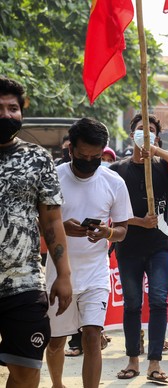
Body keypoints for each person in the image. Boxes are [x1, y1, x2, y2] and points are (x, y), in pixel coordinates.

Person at [44, 118, 132, 388]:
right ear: (70, 149)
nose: (89, 161)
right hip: (60, 273)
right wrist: (62, 229)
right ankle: (58, 384)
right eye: (83, 155)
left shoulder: (113, 182)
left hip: (96, 272)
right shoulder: (54, 177)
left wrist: (106, 233)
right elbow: (40, 223)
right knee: (57, 340)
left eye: (96, 156)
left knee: (92, 336)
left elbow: (122, 229)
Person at [0, 76, 72, 388]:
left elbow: (52, 221)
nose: (6, 114)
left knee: (27, 373)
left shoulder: (38, 158)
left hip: (25, 283)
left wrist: (64, 275)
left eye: (12, 108)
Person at [110, 113, 168, 383]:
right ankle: (133, 359)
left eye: (152, 130)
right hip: (128, 246)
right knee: (132, 304)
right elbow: (108, 211)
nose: (146, 133)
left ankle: (154, 363)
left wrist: (156, 151)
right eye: (141, 129)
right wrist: (137, 222)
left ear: (158, 136)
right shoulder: (117, 170)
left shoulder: (163, 167)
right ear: (132, 134)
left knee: (158, 301)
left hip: (160, 246)